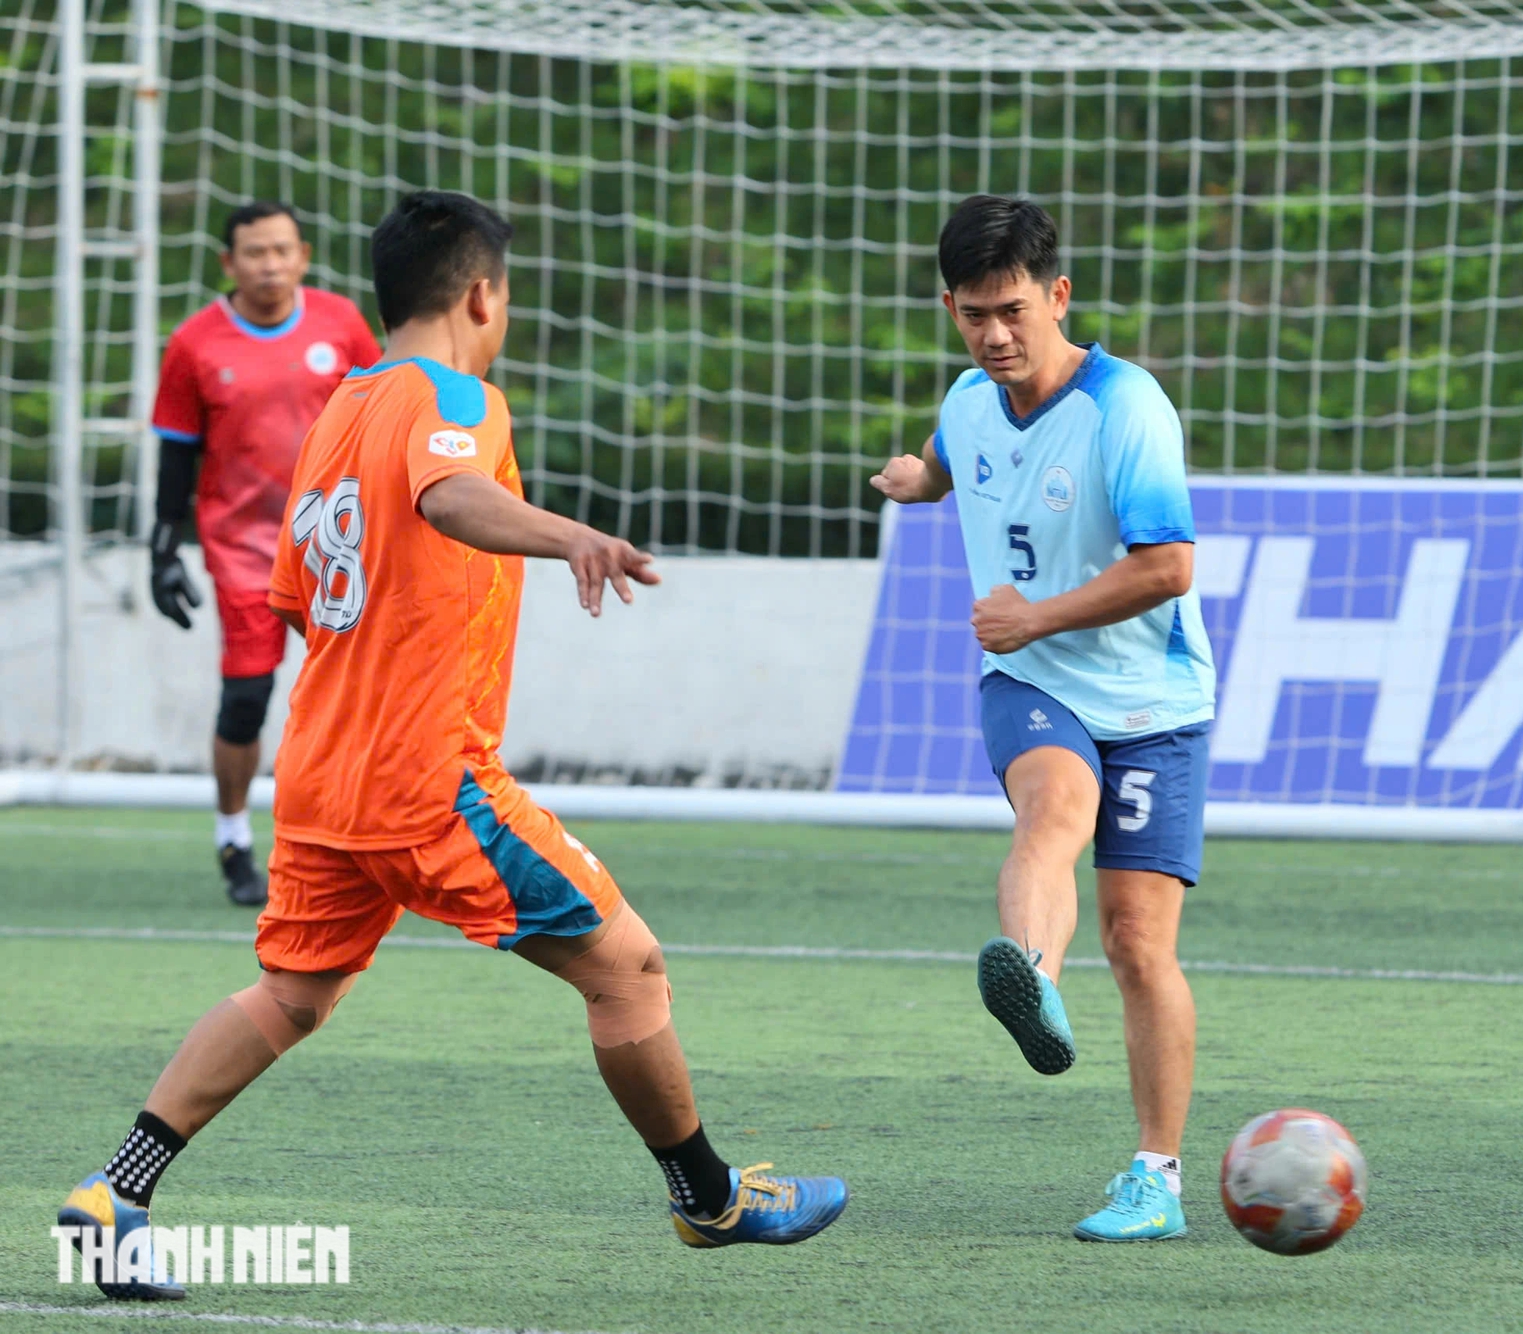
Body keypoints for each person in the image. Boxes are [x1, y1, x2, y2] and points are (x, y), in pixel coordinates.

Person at [60, 191, 846, 1301]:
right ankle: (708, 1199)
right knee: (630, 971)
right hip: (425, 775)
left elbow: (302, 598)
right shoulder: (454, 395)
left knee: (290, 993)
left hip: (323, 772)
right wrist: (569, 532)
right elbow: (448, 492)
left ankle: (115, 1191)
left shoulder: (337, 409)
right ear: (482, 293)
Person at [870, 195, 1215, 1243]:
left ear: (1057, 296)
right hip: (1031, 681)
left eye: (1012, 310)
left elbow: (1167, 568)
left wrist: (1033, 613)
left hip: (1155, 701)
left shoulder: (1126, 409)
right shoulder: (970, 399)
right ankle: (1030, 976)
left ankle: (1155, 1178)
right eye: (972, 314)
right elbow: (946, 452)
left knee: (1140, 942)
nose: (993, 335)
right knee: (1051, 812)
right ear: (949, 308)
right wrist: (914, 478)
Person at [148, 201, 382, 906]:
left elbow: (387, 413)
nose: (270, 265)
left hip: (338, 543)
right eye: (255, 253)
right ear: (229, 263)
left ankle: (353, 839)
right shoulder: (193, 344)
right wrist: (162, 547)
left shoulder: (341, 323)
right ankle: (233, 837)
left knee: (357, 695)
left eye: (282, 250)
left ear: (303, 255)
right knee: (247, 698)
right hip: (244, 547)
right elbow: (177, 452)